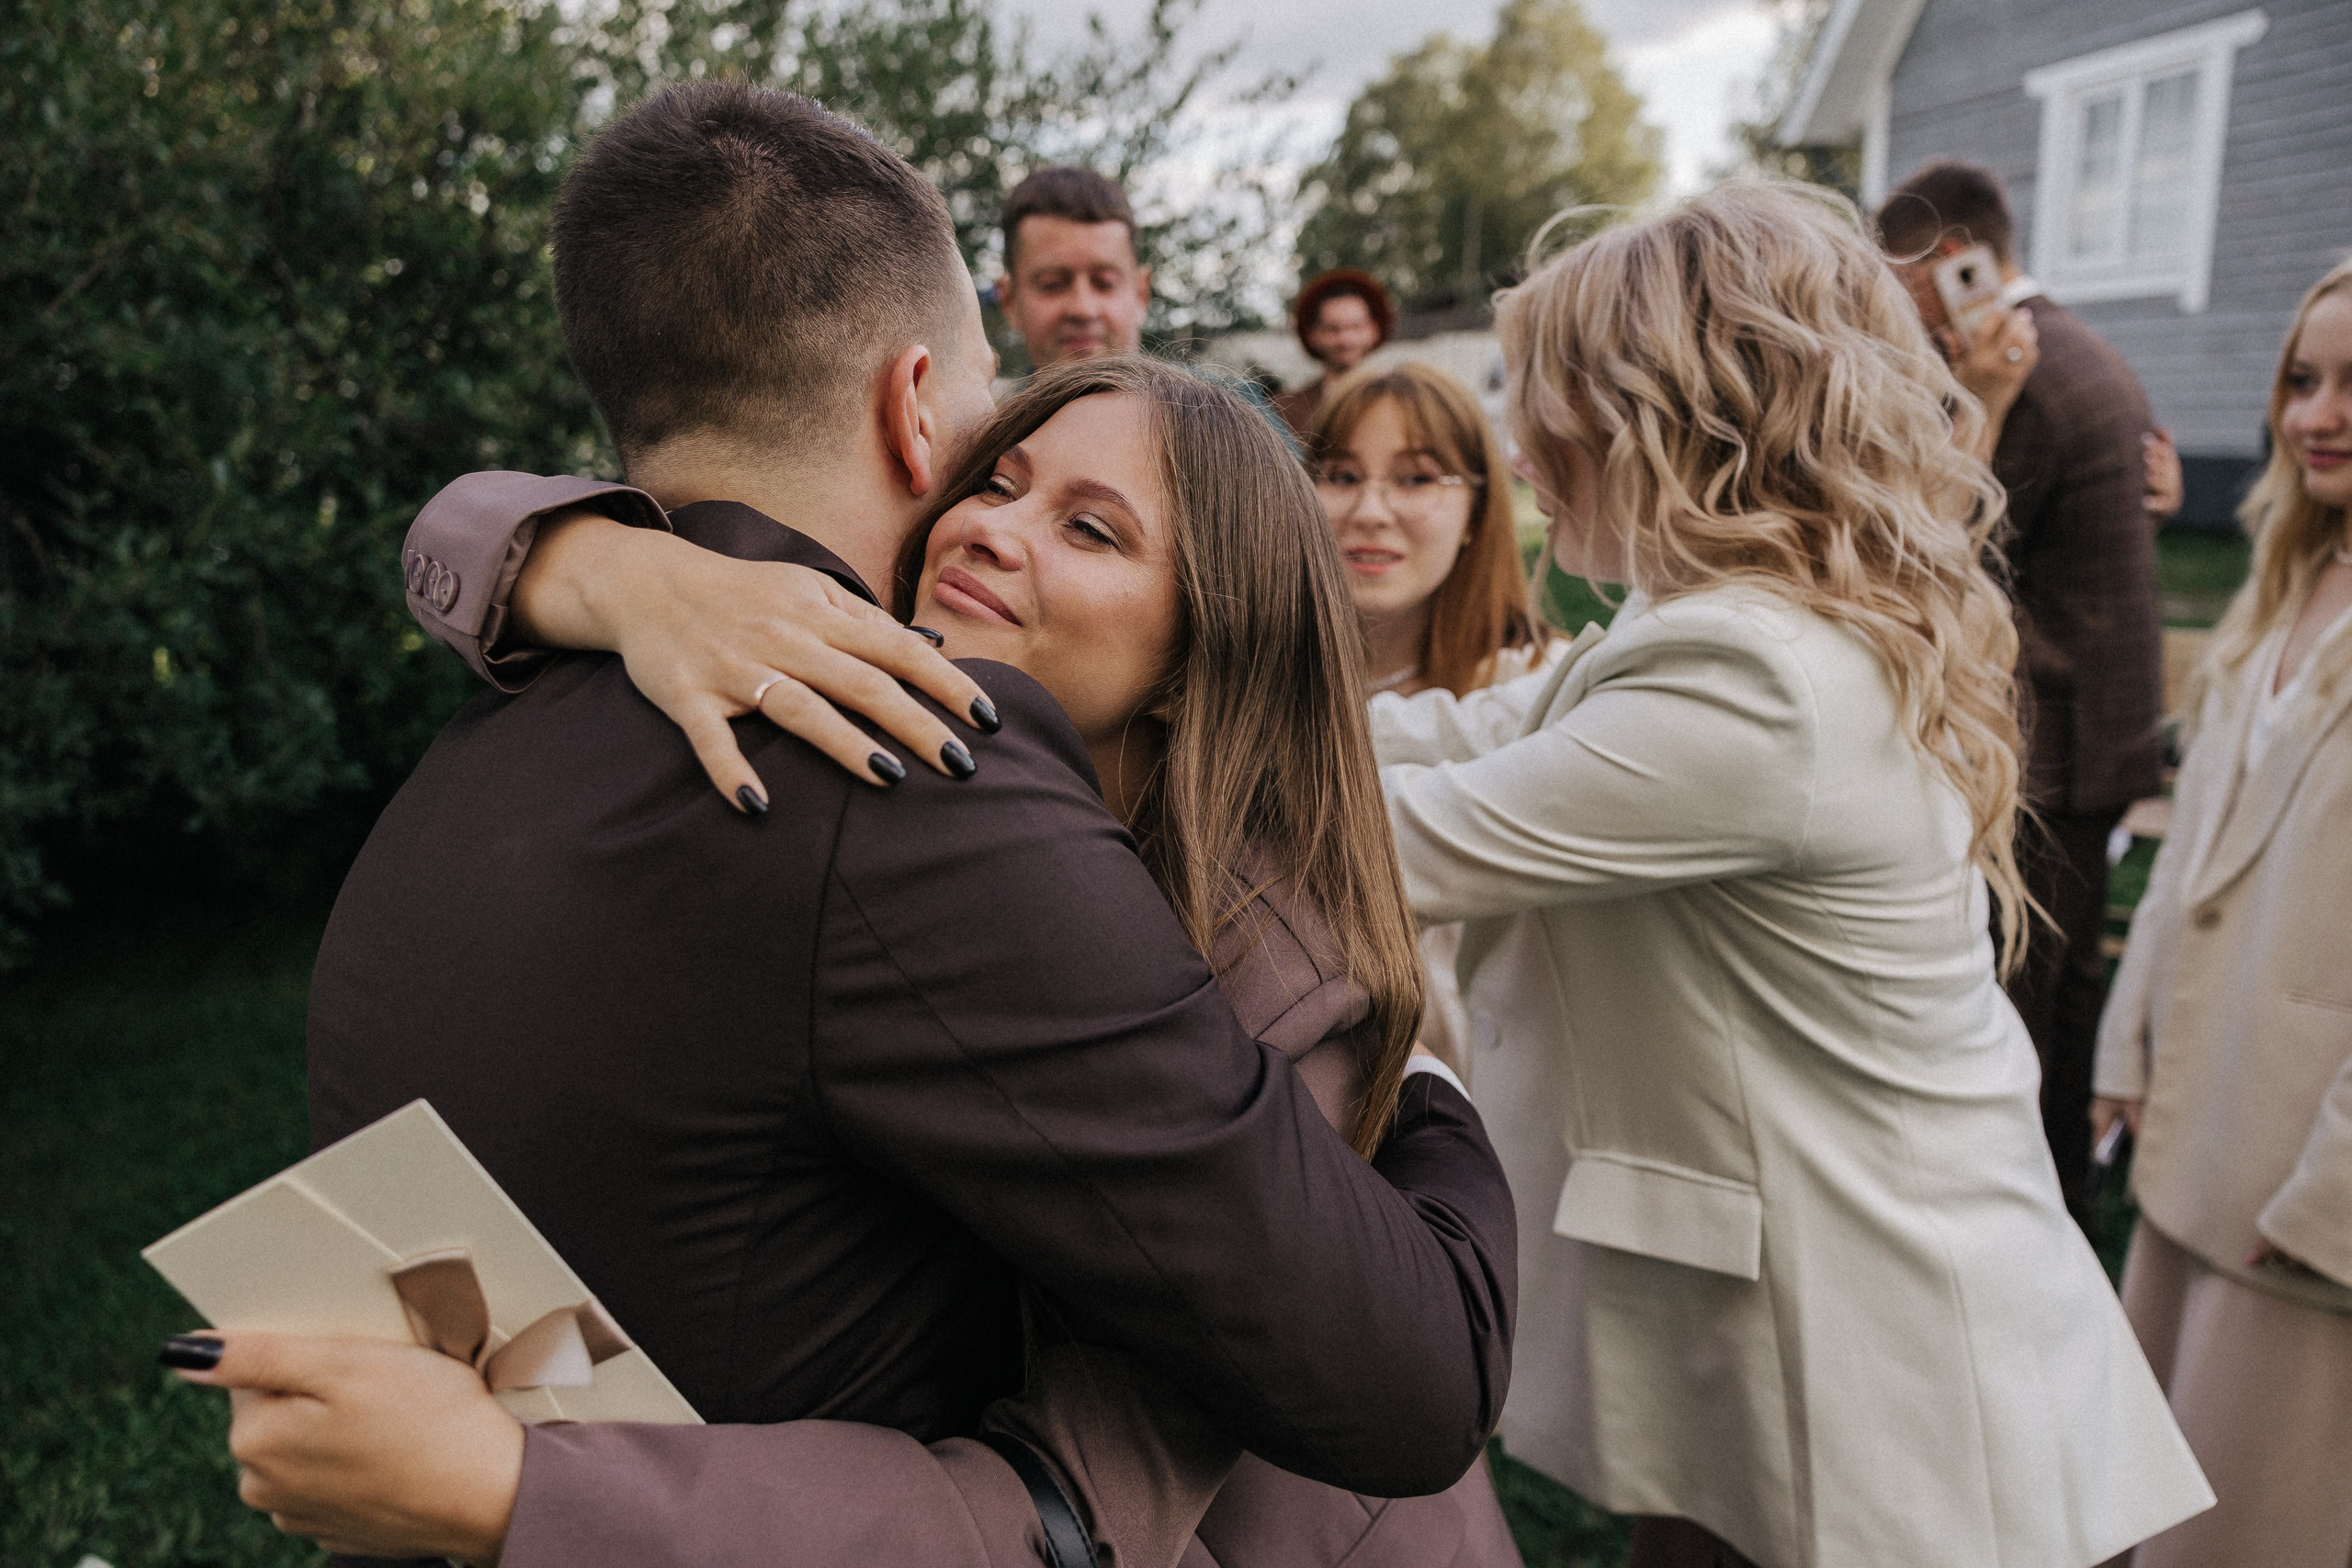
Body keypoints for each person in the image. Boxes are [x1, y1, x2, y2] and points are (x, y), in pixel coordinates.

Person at [170, 83, 1517, 1567]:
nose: (994, 520)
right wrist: (595, 562)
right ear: (914, 409)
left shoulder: (1202, 922)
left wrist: (1432, 1089)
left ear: (1207, 651)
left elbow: (1158, 1461)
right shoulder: (837, 717)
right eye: (996, 469)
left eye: (1092, 526)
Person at [1367, 181, 2211, 1567]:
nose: (1522, 448)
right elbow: (1461, 727)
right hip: (1823, 1345)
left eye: (1551, 402)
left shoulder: (1758, 679)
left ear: (1673, 417)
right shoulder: (1725, 616)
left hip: (1898, 1401)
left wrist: (1083, 726)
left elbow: (1402, 841)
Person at [2091, 258, 2352, 1568]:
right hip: (2200, 1134)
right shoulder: (2278, 594)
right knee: (2159, 1495)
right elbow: (2188, 865)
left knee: (2260, 1522)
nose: (2320, 412)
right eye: (2303, 379)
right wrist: (2129, 1049)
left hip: (2305, 1183)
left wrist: (2334, 1200)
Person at [1878, 159, 2169, 1225]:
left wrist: (1975, 410)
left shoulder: (2027, 381)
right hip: (2093, 728)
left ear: (1956, 263)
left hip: (2057, 737)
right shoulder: (2069, 347)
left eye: (1903, 284)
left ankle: (2030, 1208)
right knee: (2061, 982)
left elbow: (1941, 553)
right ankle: (2069, 1190)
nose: (1897, 314)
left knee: (2024, 999)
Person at [1306, 360, 1558, 1071]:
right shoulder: (1242, 686)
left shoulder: (1544, 689)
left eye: (1416, 478)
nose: (1370, 510)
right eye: (1342, 475)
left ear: (1478, 507)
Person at [995, 165, 1150, 367]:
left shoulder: (1202, 399)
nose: (1083, 309)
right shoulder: (981, 400)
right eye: (1052, 285)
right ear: (1009, 301)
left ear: (1142, 293)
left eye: (1105, 283)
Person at [1275, 269, 1396, 436]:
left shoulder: (1398, 401)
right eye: (1333, 329)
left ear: (1374, 331)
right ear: (1313, 335)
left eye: (1355, 327)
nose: (1346, 340)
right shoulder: (1286, 411)